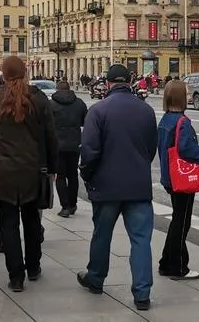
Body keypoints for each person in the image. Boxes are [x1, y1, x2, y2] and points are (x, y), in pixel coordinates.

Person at [76, 64, 158, 311]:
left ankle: (96, 278)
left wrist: (87, 176)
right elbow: (150, 148)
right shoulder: (146, 111)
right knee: (141, 240)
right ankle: (142, 294)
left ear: (108, 83)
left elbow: (89, 151)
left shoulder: (98, 110)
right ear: (130, 81)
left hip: (106, 184)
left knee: (102, 234)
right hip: (138, 186)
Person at [0, 56, 57, 292]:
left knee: (8, 224)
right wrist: (52, 167)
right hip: (33, 171)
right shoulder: (39, 99)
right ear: (24, 73)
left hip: (4, 171)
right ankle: (33, 267)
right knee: (32, 220)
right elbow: (51, 138)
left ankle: (16, 276)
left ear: (3, 74)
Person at [157, 80, 199, 280]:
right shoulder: (181, 122)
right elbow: (187, 150)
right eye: (187, 92)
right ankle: (178, 266)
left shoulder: (165, 120)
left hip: (169, 176)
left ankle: (166, 262)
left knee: (177, 219)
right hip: (181, 179)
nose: (190, 94)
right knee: (182, 222)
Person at [49, 80, 87, 218]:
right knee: (73, 175)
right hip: (74, 143)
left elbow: (47, 125)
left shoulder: (51, 104)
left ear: (57, 89)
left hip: (57, 144)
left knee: (60, 176)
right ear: (69, 89)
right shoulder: (79, 103)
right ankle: (72, 204)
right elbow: (85, 121)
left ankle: (64, 207)